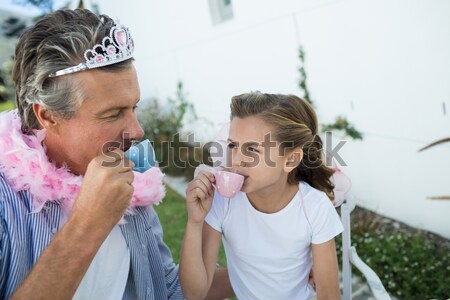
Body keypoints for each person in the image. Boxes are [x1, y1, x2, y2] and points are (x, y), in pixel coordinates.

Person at [0, 8, 232, 300]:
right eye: (112, 114)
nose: (137, 131)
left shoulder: (127, 179)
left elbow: (165, 287)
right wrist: (88, 223)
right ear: (48, 116)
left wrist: (272, 269)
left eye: (133, 107)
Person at [180, 92, 344, 300]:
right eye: (233, 145)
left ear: (291, 159)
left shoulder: (315, 208)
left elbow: (329, 296)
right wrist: (195, 222)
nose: (236, 160)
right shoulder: (222, 201)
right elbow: (195, 294)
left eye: (252, 149)